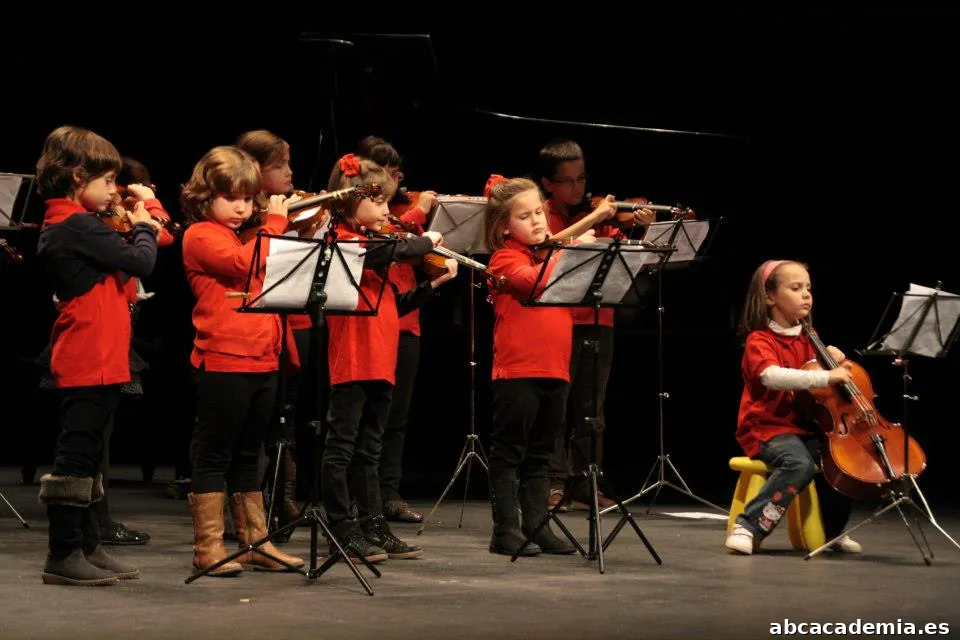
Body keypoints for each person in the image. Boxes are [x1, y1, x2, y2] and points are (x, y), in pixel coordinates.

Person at [35, 125, 162, 585]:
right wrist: (145, 221)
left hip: (105, 351)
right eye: (108, 180)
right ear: (74, 176)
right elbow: (143, 260)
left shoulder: (82, 223)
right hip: (87, 351)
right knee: (77, 453)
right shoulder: (72, 224)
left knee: (91, 456)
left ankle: (89, 543)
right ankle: (62, 552)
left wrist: (140, 221)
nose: (114, 189)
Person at [321, 153, 456, 562]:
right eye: (378, 202)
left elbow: (393, 305)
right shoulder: (343, 240)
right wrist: (425, 240)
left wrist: (434, 285)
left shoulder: (372, 243)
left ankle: (373, 525)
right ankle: (341, 529)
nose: (385, 210)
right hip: (353, 357)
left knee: (370, 449)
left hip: (381, 355)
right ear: (349, 201)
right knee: (341, 448)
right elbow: (383, 254)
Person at [180, 145, 304, 576]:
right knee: (215, 454)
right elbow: (241, 264)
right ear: (205, 196)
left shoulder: (244, 235)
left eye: (249, 199)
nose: (242, 207)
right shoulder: (201, 235)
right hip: (224, 360)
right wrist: (275, 223)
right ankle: (208, 549)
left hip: (262, 359)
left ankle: (255, 543)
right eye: (232, 197)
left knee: (249, 455)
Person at [482, 174, 611, 556]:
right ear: (505, 226)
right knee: (509, 452)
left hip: (556, 368)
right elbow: (534, 283)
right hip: (518, 372)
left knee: (540, 453)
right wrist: (571, 254)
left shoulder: (551, 256)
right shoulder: (504, 258)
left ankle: (537, 524)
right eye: (525, 216)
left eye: (540, 211)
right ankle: (505, 529)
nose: (538, 221)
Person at [537, 139, 652, 511]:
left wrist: (638, 231)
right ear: (548, 184)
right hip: (558, 324)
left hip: (600, 321)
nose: (577, 188)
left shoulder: (602, 217)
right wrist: (598, 218)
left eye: (581, 178)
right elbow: (545, 250)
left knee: (592, 411)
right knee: (556, 406)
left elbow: (629, 263)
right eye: (567, 181)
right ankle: (553, 483)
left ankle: (586, 482)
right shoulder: (544, 216)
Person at [725, 259, 862, 555]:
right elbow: (772, 376)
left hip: (801, 428)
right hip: (766, 430)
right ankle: (748, 526)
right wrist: (825, 374)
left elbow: (822, 386)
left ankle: (830, 532)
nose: (806, 295)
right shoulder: (759, 340)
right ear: (770, 297)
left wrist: (833, 356)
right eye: (796, 288)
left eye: (808, 288)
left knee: (843, 461)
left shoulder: (810, 339)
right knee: (798, 464)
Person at [355, 135, 438, 523]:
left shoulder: (391, 212)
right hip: (367, 323)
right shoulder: (366, 219)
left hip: (405, 319)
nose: (395, 182)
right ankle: (359, 500)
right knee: (360, 422)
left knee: (396, 418)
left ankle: (387, 493)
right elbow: (386, 245)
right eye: (385, 175)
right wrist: (418, 216)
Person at [235, 130, 303, 537]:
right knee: (250, 430)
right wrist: (278, 221)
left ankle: (282, 501)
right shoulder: (243, 221)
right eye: (282, 166)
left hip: (285, 329)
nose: (291, 173)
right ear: (259, 172)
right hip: (250, 332)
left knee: (285, 420)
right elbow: (251, 261)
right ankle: (249, 516)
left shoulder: (286, 213)